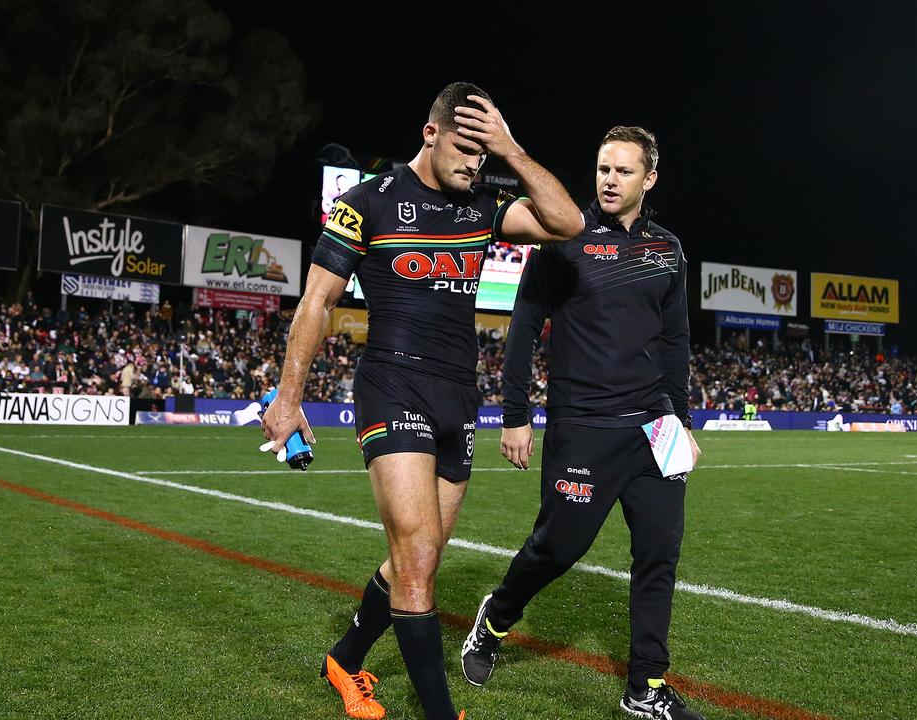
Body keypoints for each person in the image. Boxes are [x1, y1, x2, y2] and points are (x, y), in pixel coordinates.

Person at [261, 82, 582, 720]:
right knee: (415, 565)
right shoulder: (364, 204)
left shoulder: (482, 205)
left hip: (458, 395)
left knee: (423, 557)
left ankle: (345, 660)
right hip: (392, 385)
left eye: (481, 154)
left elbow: (567, 223)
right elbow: (317, 303)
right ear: (429, 134)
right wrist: (288, 396)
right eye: (465, 149)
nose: (473, 164)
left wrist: (510, 150)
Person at [459, 127, 706, 720]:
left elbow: (675, 341)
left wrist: (681, 419)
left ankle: (645, 688)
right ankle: (494, 620)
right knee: (557, 548)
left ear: (649, 178)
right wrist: (515, 415)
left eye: (623, 171)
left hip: (654, 429)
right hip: (584, 427)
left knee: (659, 555)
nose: (609, 180)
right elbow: (523, 326)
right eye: (602, 169)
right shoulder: (563, 236)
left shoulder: (668, 249)